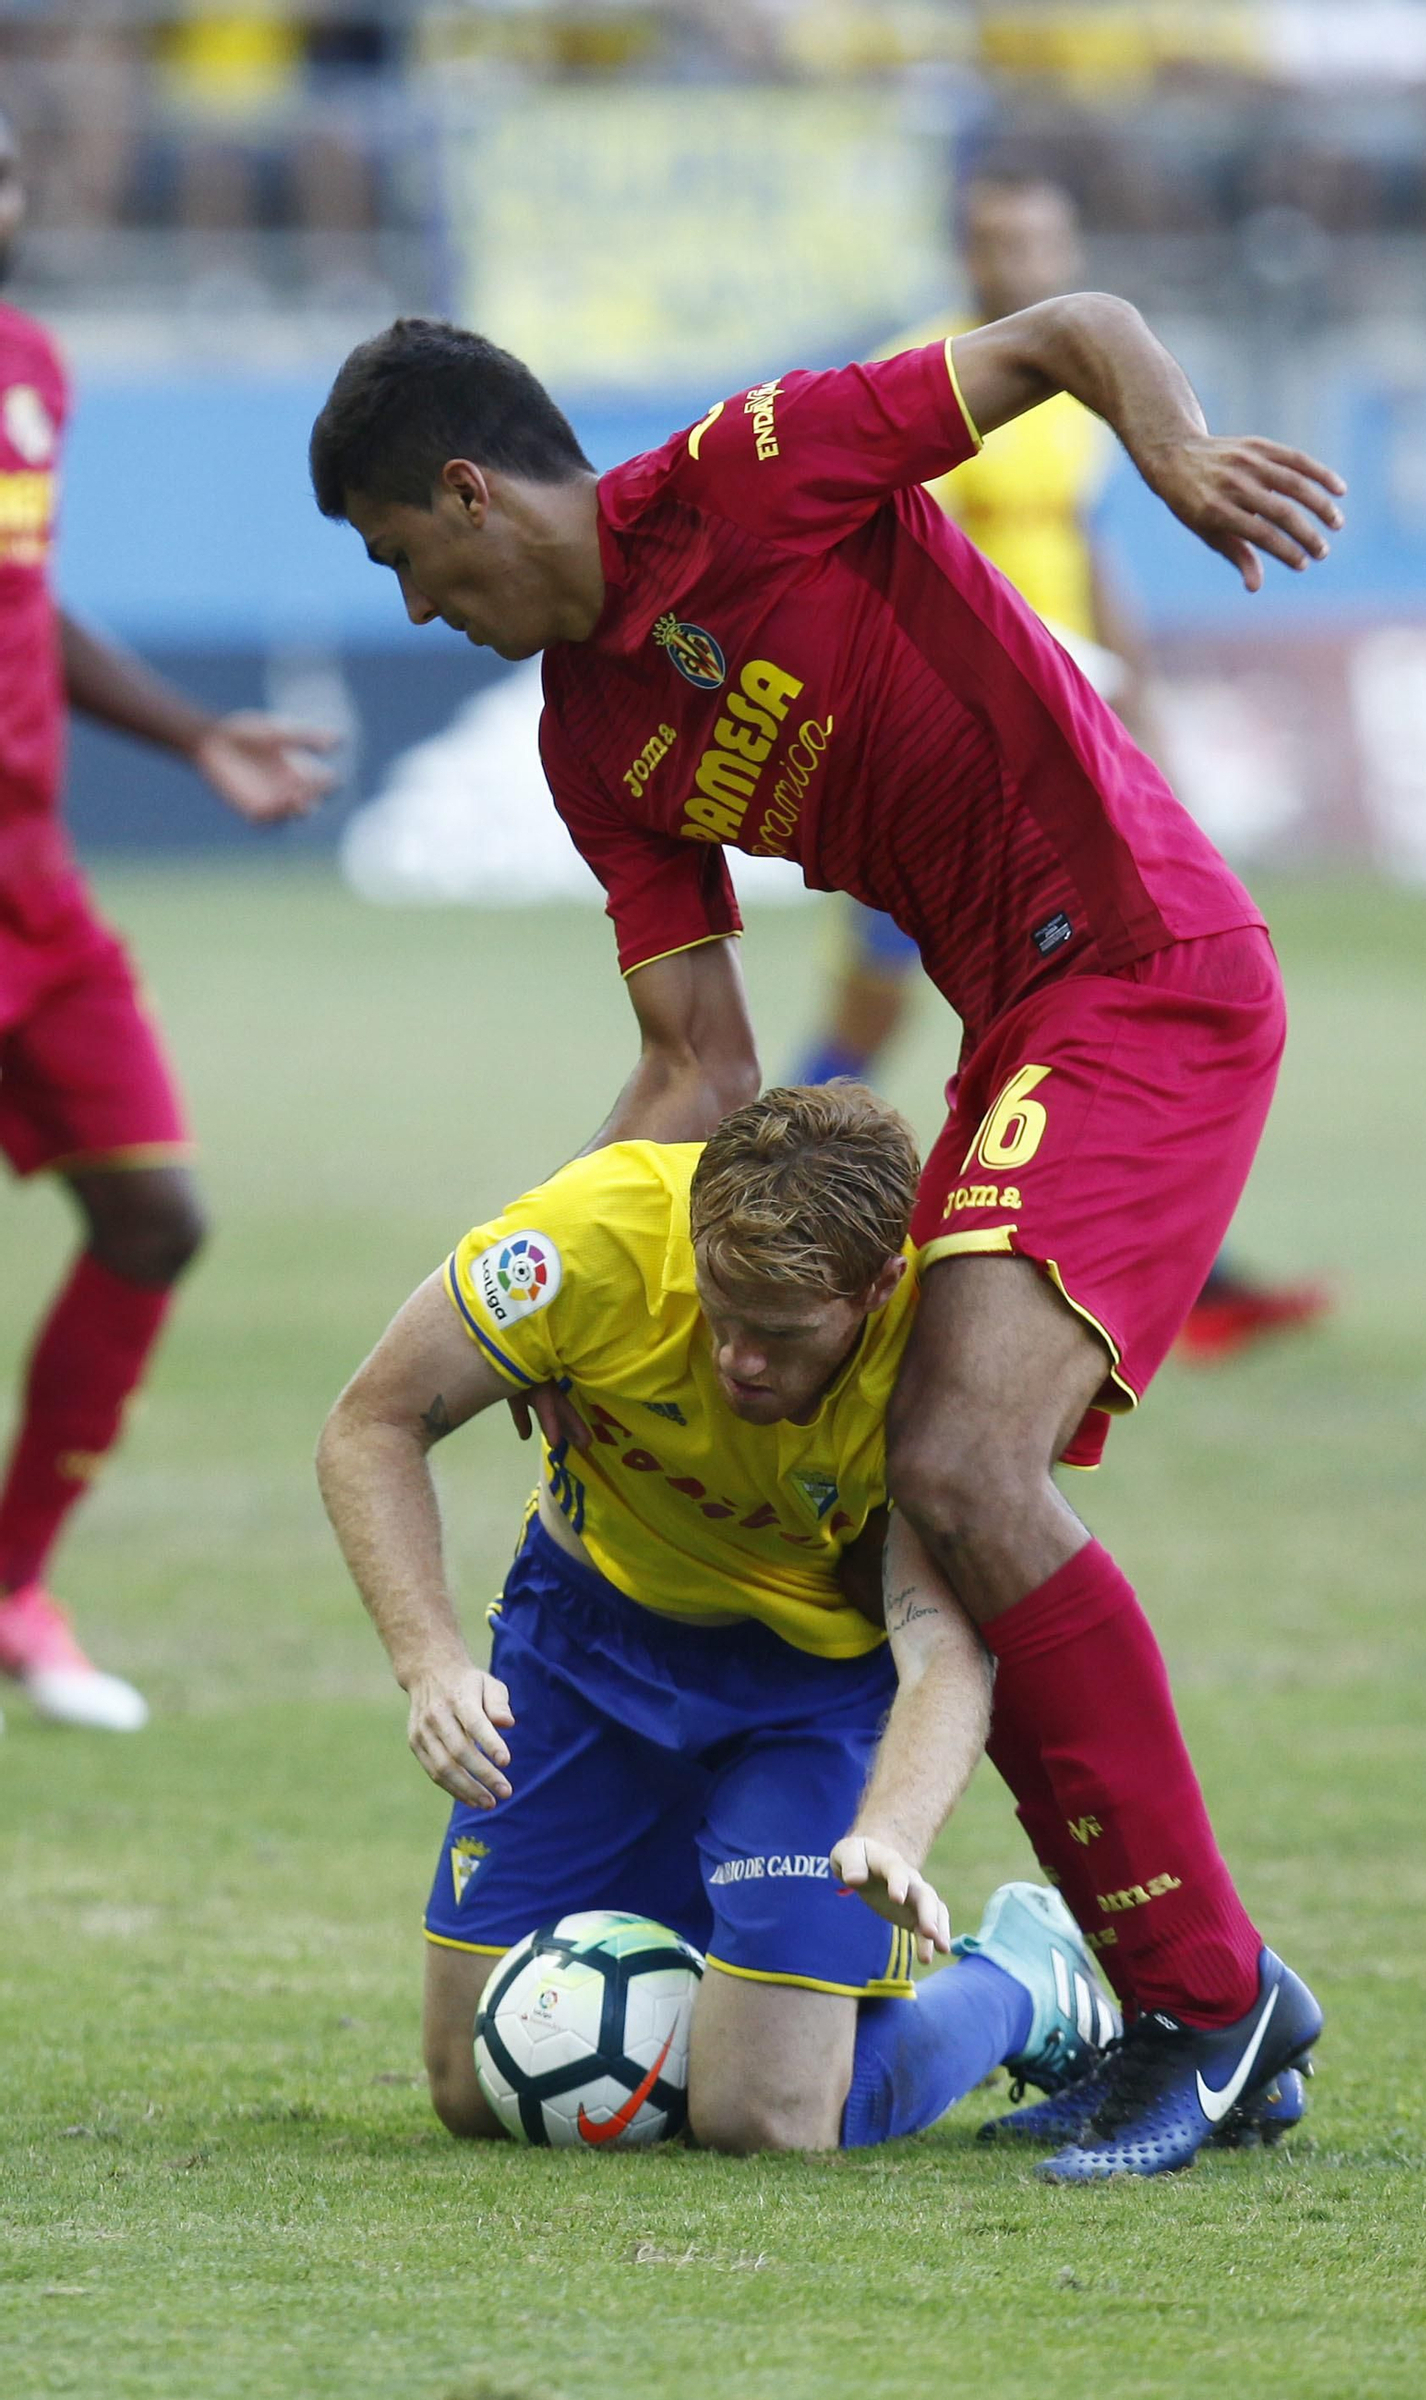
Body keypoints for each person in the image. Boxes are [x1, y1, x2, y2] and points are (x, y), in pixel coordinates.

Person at [308, 290, 1338, 2179]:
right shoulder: (591, 738)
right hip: (1015, 1023)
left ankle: (1204, 1995)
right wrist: (579, 1284)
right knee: (933, 1495)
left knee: (955, 1461)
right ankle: (1153, 1989)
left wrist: (1173, 450)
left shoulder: (753, 473)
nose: (413, 611)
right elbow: (697, 1068)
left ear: (466, 493)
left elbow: (1072, 329)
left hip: (1143, 973)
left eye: (403, 561)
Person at [316, 1083, 1120, 2152]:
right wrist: (431, 1663)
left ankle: (1021, 1979)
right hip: (583, 1640)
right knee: (472, 2087)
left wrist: (890, 1833)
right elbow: (367, 1426)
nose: (738, 1356)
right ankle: (741, 1976)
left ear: (879, 1287)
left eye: (780, 1334)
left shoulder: (944, 1356)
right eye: (720, 1310)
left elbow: (940, 1649)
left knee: (766, 2120)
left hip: (808, 1691)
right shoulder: (586, 1240)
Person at [793, 164, 1330, 1363]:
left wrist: (1136, 695)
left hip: (1061, 745)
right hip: (939, 762)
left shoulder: (1071, 399)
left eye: (1037, 244)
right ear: (964, 253)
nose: (1018, 267)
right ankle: (744, 1209)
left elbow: (1083, 547)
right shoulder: (918, 380)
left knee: (1102, 1004)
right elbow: (878, 567)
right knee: (875, 1016)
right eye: (996, 244)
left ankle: (1178, 1273)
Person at [0, 109, 336, 1734]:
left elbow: (22, 602)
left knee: (155, 1221)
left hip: (32, 886)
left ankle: (13, 1587)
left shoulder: (31, 371)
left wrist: (196, 733)